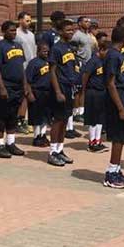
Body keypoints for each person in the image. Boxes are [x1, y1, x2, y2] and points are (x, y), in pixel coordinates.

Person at [0, 21, 29, 158]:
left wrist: (25, 84)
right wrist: (1, 87)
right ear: (4, 31)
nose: (14, 33)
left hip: (18, 87)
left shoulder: (18, 46)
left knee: (13, 116)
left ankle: (10, 143)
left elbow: (21, 67)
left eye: (14, 31)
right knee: (1, 116)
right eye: (11, 30)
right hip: (5, 86)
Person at [103, 26, 124, 189]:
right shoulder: (112, 56)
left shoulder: (119, 55)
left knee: (122, 137)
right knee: (117, 137)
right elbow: (110, 84)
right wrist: (120, 108)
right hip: (115, 101)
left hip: (123, 96)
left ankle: (117, 169)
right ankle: (110, 174)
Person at [47, 19, 79, 166]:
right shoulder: (57, 48)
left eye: (72, 29)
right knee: (58, 120)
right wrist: (58, 91)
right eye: (68, 30)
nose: (71, 32)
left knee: (65, 119)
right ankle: (52, 152)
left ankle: (60, 149)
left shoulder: (69, 47)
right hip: (60, 88)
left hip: (70, 88)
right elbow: (52, 71)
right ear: (60, 32)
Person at [82, 33, 109, 153]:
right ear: (101, 50)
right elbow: (85, 75)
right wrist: (83, 90)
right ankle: (91, 142)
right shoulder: (94, 61)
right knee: (93, 119)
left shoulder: (103, 61)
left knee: (100, 118)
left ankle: (98, 141)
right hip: (92, 92)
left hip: (101, 92)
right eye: (106, 52)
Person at [26, 42, 53, 146]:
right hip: (37, 91)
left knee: (46, 116)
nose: (46, 53)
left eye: (47, 51)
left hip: (48, 92)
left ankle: (43, 135)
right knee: (37, 116)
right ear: (38, 52)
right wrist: (29, 93)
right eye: (44, 51)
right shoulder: (34, 63)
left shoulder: (50, 62)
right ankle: (36, 137)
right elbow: (28, 80)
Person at [15, 11, 37, 134]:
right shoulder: (16, 34)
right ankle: (19, 120)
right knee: (23, 95)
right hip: (21, 68)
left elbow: (33, 50)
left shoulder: (31, 34)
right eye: (27, 20)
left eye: (30, 20)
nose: (29, 23)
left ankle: (23, 119)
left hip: (31, 67)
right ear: (20, 20)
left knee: (28, 95)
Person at [71, 16, 94, 124]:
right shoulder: (76, 35)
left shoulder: (89, 35)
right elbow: (73, 50)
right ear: (79, 23)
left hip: (89, 64)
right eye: (85, 21)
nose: (88, 23)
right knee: (78, 89)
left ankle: (82, 110)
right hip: (80, 64)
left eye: (89, 21)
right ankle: (76, 112)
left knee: (84, 88)